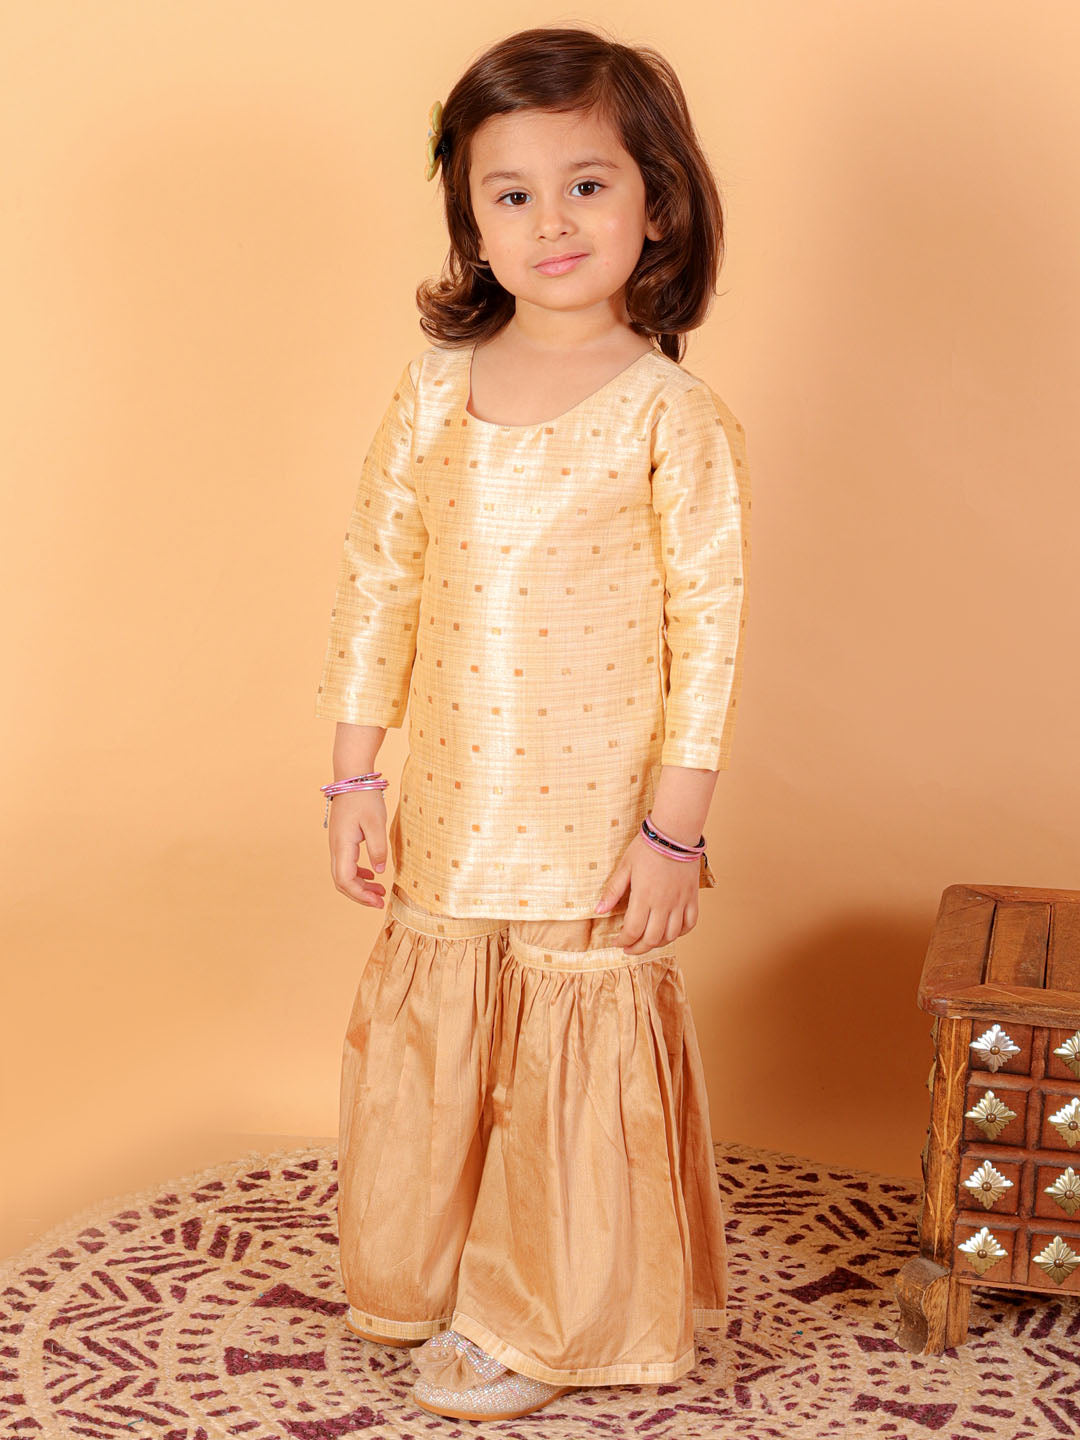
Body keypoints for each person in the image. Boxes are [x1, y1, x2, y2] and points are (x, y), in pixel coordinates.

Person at [314, 23, 751, 1424]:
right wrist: (353, 777)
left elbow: (708, 636)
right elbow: (381, 574)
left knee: (570, 1048)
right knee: (444, 1032)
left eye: (587, 185)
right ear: (470, 219)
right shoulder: (433, 390)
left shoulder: (672, 416)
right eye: (512, 193)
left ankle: (544, 1315)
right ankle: (438, 1276)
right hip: (452, 791)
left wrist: (673, 835)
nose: (551, 222)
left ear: (657, 204)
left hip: (593, 808)